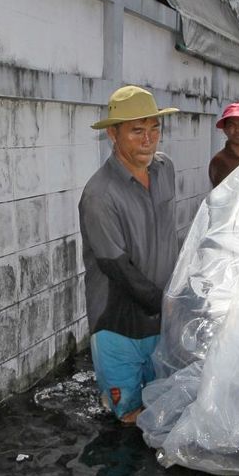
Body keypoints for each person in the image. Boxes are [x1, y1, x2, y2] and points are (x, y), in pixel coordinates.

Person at [80, 85, 180, 424]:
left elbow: (171, 235)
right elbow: (117, 268)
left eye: (154, 128)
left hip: (161, 321)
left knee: (163, 406)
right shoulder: (99, 194)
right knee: (127, 418)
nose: (148, 139)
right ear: (113, 133)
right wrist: (168, 302)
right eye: (137, 131)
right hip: (118, 326)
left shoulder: (165, 169)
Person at [209, 102, 239, 187]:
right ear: (225, 129)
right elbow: (223, 193)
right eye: (231, 125)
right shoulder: (219, 161)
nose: (238, 130)